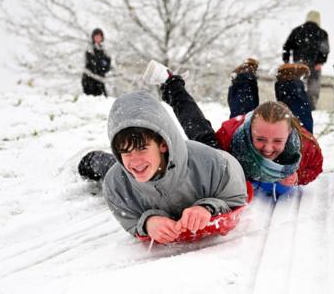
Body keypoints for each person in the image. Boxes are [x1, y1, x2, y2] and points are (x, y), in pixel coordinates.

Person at [78, 91, 247, 244]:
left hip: (186, 159)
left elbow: (236, 195)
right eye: (125, 151)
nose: (135, 160)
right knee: (108, 167)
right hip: (124, 172)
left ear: (163, 145)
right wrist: (148, 223)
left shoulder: (211, 162)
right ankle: (92, 158)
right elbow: (129, 219)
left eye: (142, 148)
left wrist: (208, 208)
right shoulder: (116, 183)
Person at [145, 59, 323, 193]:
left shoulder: (306, 148)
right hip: (241, 135)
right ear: (249, 130)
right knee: (216, 136)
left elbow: (315, 168)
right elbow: (199, 132)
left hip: (290, 130)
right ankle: (244, 78)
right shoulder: (231, 138)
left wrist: (298, 176)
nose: (268, 149)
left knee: (299, 118)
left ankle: (290, 82)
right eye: (260, 139)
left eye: (277, 141)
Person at [282, 10, 330, 110]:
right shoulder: (322, 33)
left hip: (299, 64)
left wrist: (286, 61)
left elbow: (286, 46)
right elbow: (325, 50)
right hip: (315, 65)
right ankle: (310, 109)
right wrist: (320, 62)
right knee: (313, 89)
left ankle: (296, 107)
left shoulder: (297, 30)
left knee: (298, 86)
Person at [81, 28, 111, 96]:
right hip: (89, 78)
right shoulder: (89, 49)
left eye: (99, 36)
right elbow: (93, 64)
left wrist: (102, 65)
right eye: (96, 36)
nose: (97, 38)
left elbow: (107, 66)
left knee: (103, 99)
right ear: (93, 37)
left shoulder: (105, 50)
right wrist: (101, 63)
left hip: (100, 79)